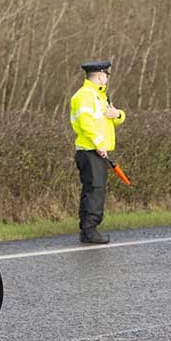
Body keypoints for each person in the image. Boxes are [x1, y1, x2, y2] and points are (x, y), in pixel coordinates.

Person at [70, 60, 126, 244]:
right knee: (95, 190)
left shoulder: (101, 96)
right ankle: (89, 230)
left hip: (97, 150)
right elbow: (86, 123)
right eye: (106, 76)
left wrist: (118, 114)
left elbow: (116, 118)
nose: (107, 79)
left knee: (93, 190)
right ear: (101, 76)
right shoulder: (86, 95)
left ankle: (87, 230)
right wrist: (98, 143)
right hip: (91, 150)